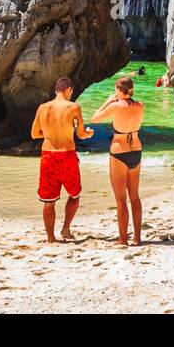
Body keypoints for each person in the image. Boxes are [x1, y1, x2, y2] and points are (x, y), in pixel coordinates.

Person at [31, 77, 93, 242]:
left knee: (49, 200)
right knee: (74, 194)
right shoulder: (73, 107)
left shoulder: (43, 107)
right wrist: (88, 133)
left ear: (56, 90)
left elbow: (34, 134)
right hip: (67, 155)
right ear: (69, 90)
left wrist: (50, 134)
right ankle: (65, 228)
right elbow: (80, 134)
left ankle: (51, 238)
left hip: (48, 156)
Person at [91, 77, 145, 246]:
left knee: (121, 200)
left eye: (115, 90)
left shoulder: (115, 106)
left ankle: (123, 239)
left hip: (119, 152)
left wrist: (107, 102)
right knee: (135, 197)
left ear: (120, 91)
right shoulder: (140, 105)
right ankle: (137, 238)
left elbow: (94, 119)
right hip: (136, 150)